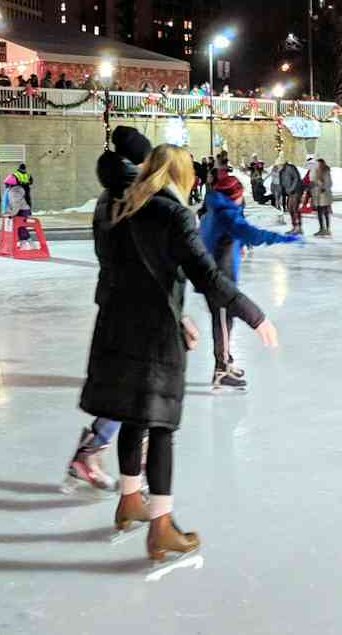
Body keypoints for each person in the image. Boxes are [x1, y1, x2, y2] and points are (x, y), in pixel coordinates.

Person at [81, 142, 278, 561]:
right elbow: (206, 276)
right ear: (180, 174)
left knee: (133, 417)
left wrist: (178, 314)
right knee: (160, 428)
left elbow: (119, 271)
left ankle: (130, 500)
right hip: (154, 335)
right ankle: (161, 527)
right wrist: (253, 314)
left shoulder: (116, 206)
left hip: (115, 328)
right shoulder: (173, 214)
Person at [66, 126, 152, 493]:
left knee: (132, 385)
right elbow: (145, 256)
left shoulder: (109, 194)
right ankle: (130, 469)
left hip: (115, 299)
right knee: (143, 388)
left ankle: (95, 452)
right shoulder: (132, 197)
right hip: (138, 304)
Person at [200, 174, 299, 390]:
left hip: (217, 276)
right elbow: (252, 233)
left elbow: (222, 237)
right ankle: (221, 370)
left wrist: (238, 245)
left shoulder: (213, 211)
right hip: (220, 280)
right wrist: (282, 238)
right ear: (234, 196)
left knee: (225, 322)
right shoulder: (226, 215)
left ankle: (226, 361)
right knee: (222, 323)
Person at [3, 172, 36, 249]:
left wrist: (12, 214)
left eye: (6, 184)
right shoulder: (13, 190)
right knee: (19, 228)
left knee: (21, 228)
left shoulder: (14, 192)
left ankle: (30, 243)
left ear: (10, 184)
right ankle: (23, 243)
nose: (5, 186)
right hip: (21, 210)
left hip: (22, 211)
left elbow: (16, 204)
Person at [276, 156, 303, 232]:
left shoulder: (290, 168)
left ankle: (298, 228)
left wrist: (291, 189)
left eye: (278, 165)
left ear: (282, 164)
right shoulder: (281, 171)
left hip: (296, 191)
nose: (278, 166)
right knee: (290, 209)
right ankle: (294, 226)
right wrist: (280, 193)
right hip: (290, 192)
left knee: (295, 208)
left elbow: (296, 178)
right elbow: (281, 183)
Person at [309, 158, 334, 237]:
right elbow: (312, 180)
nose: (318, 165)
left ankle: (327, 229)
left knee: (325, 212)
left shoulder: (326, 171)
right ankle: (321, 228)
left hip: (324, 195)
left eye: (320, 164)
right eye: (317, 164)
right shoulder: (314, 171)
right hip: (317, 194)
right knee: (319, 212)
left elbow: (329, 182)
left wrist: (324, 187)